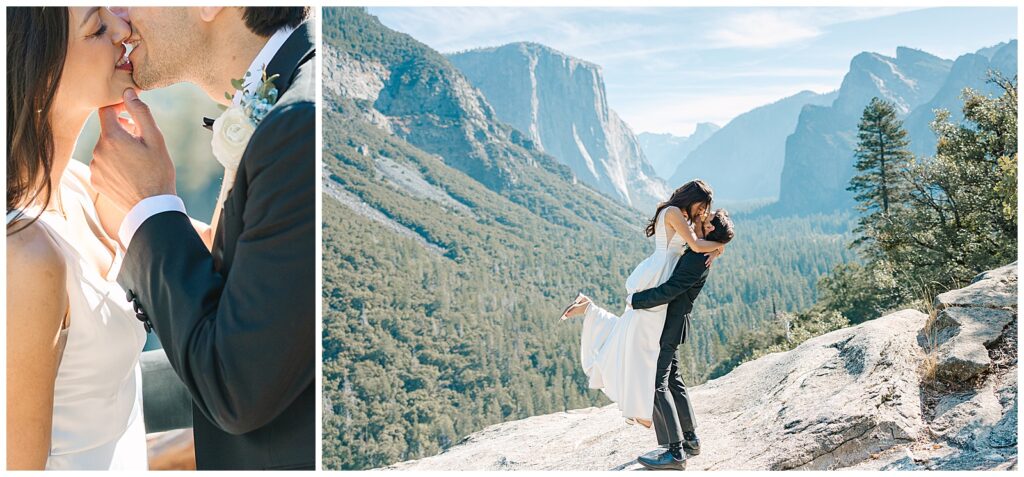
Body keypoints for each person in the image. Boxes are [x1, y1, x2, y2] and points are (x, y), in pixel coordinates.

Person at [87, 7, 316, 470]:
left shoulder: (300, 125)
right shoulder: (286, 100)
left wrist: (149, 209)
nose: (119, 17)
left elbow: (239, 387)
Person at [559, 180, 725, 429]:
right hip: (658, 275)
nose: (702, 212)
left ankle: (590, 310)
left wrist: (718, 245)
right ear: (691, 198)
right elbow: (696, 245)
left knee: (639, 338)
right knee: (641, 341)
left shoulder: (681, 215)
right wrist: (721, 245)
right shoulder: (673, 213)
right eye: (701, 206)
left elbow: (700, 241)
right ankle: (649, 415)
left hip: (665, 273)